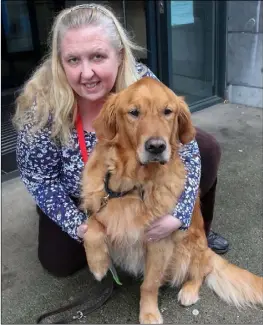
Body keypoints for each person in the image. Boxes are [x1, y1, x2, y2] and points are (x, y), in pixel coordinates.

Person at [14, 3, 228, 279]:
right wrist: (84, 228)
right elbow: (40, 180)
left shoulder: (140, 81)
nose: (86, 73)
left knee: (207, 147)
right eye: (73, 60)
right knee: (58, 263)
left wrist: (181, 215)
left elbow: (186, 147)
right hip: (78, 198)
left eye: (98, 56)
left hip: (138, 185)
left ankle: (200, 233)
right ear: (59, 62)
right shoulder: (41, 107)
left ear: (119, 55)